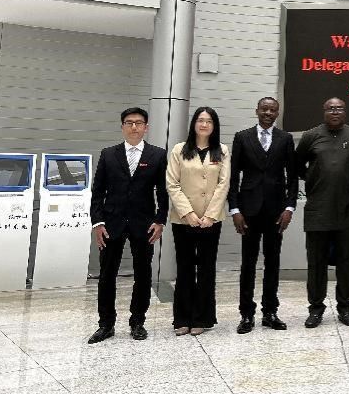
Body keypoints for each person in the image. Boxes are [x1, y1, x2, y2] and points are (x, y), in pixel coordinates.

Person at [88, 107, 168, 344]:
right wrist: (97, 222)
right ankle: (106, 324)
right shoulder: (108, 154)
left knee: (143, 275)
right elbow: (97, 192)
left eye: (139, 123)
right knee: (107, 275)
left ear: (146, 127)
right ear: (122, 126)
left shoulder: (157, 155)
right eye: (129, 122)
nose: (134, 127)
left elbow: (163, 192)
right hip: (110, 224)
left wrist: (160, 220)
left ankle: (138, 322)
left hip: (144, 224)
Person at [296, 97, 349, 328]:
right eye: (331, 108)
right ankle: (316, 309)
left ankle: (345, 308)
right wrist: (312, 179)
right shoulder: (310, 136)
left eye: (339, 108)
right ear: (324, 111)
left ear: (345, 111)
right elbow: (296, 165)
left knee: (346, 262)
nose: (335, 111)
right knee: (316, 263)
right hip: (318, 211)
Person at [228, 97, 298, 334]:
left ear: (278, 113)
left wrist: (289, 208)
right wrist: (235, 209)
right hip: (248, 211)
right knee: (248, 264)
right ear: (256, 111)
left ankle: (270, 312)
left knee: (273, 262)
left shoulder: (285, 139)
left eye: (273, 110)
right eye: (264, 109)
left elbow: (292, 177)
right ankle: (246, 315)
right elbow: (233, 176)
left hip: (276, 212)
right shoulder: (242, 137)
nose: (268, 112)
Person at [166, 107, 231, 336]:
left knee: (206, 269)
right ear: (194, 123)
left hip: (211, 221)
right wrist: (188, 213)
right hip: (183, 220)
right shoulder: (179, 150)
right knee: (184, 268)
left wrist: (211, 215)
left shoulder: (222, 150)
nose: (204, 124)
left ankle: (202, 318)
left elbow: (224, 184)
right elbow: (172, 183)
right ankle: (182, 318)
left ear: (214, 126)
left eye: (209, 121)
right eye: (200, 120)